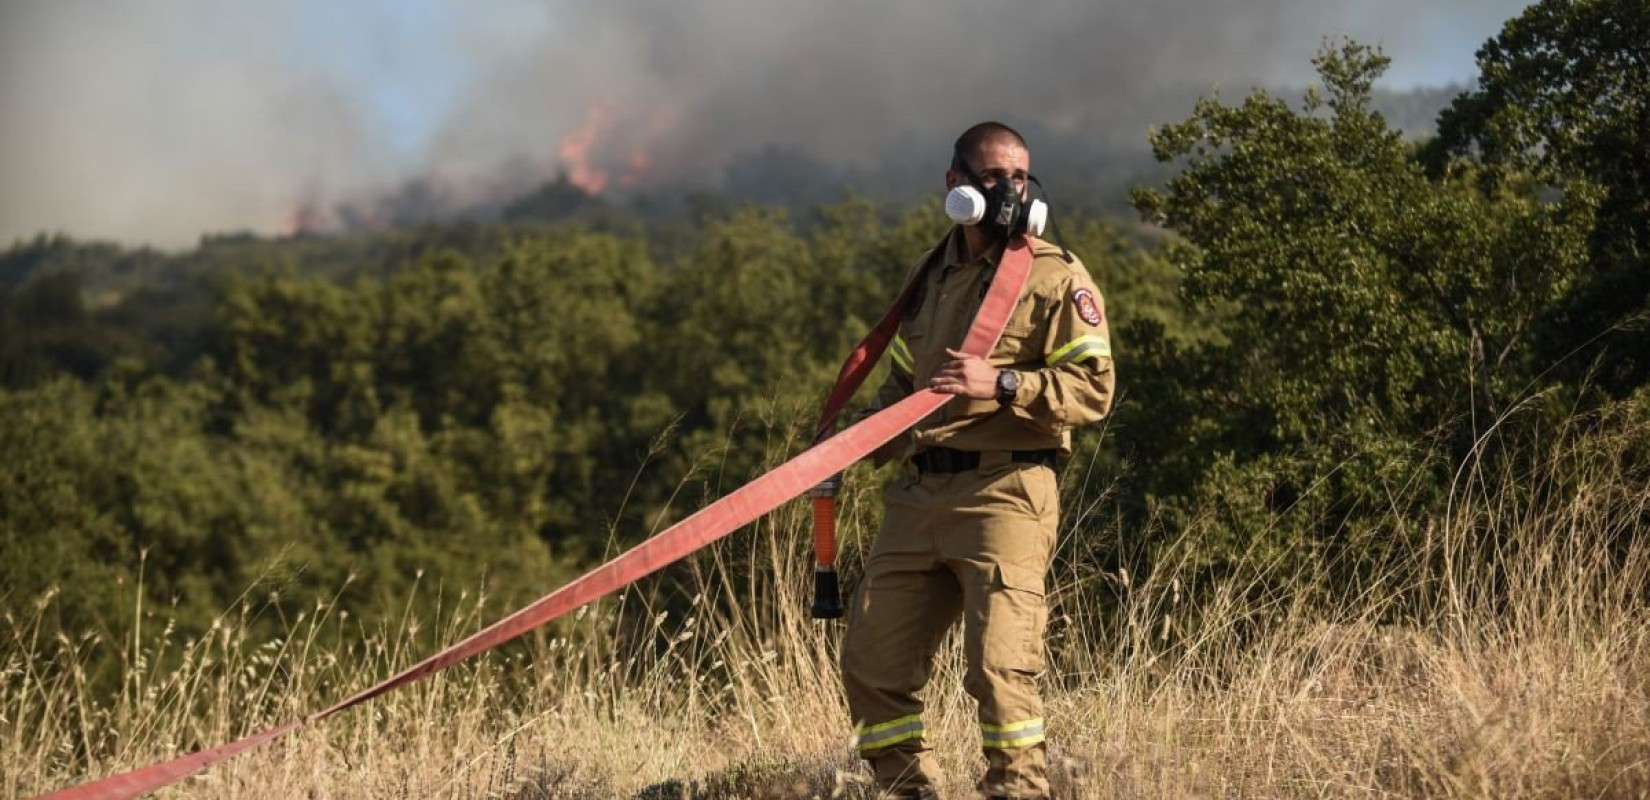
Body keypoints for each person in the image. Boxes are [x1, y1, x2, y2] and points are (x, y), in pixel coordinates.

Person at [840, 121, 1116, 800]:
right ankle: (907, 789)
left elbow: (1094, 390)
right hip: (918, 493)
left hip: (1006, 490)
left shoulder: (1055, 275)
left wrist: (1004, 383)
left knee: (999, 669)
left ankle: (1016, 791)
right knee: (871, 664)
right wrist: (845, 445)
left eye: (1020, 177)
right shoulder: (930, 275)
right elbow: (903, 386)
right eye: (993, 177)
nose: (1009, 191)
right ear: (955, 184)